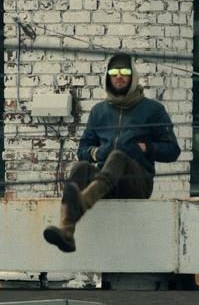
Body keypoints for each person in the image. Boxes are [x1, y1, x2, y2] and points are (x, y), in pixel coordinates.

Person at [43, 53, 181, 253]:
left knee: (118, 156)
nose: (119, 76)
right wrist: (97, 153)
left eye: (124, 72)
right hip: (105, 184)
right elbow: (82, 150)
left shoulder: (153, 110)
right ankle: (67, 230)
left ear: (133, 76)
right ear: (108, 77)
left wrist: (146, 148)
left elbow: (173, 150)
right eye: (113, 72)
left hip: (137, 183)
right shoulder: (99, 111)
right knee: (81, 168)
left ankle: (85, 200)